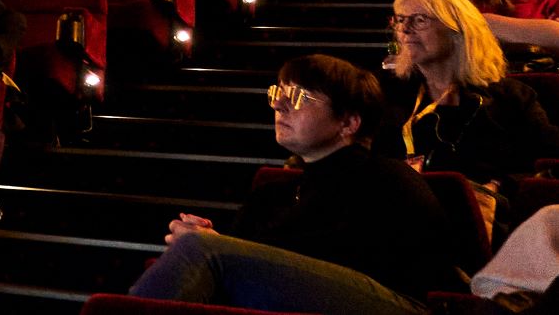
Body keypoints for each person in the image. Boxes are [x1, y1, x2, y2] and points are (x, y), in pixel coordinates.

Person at [128, 53, 465, 312]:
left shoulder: (387, 178)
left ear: (348, 122)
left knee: (200, 251)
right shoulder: (275, 191)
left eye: (300, 97)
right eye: (279, 92)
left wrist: (211, 248)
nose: (279, 104)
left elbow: (359, 262)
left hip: (396, 303)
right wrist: (215, 241)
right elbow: (264, 265)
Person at [381, 0, 558, 193]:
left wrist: (500, 185)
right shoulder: (386, 92)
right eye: (400, 20)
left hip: (480, 216)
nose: (405, 30)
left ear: (458, 31)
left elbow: (546, 164)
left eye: (420, 20)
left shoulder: (512, 98)